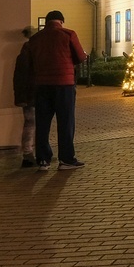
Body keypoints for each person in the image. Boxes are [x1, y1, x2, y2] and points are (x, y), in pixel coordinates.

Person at [28, 10, 86, 169]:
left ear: (47, 22)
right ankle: (66, 159)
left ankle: (43, 160)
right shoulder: (68, 34)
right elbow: (80, 57)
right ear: (61, 21)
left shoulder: (35, 38)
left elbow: (31, 62)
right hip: (64, 84)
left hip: (42, 85)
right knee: (65, 122)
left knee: (42, 123)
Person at [13, 34, 37, 168]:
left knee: (30, 124)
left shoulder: (22, 57)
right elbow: (22, 79)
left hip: (27, 97)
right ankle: (28, 154)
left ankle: (29, 153)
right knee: (32, 124)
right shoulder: (31, 58)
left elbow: (18, 79)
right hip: (32, 96)